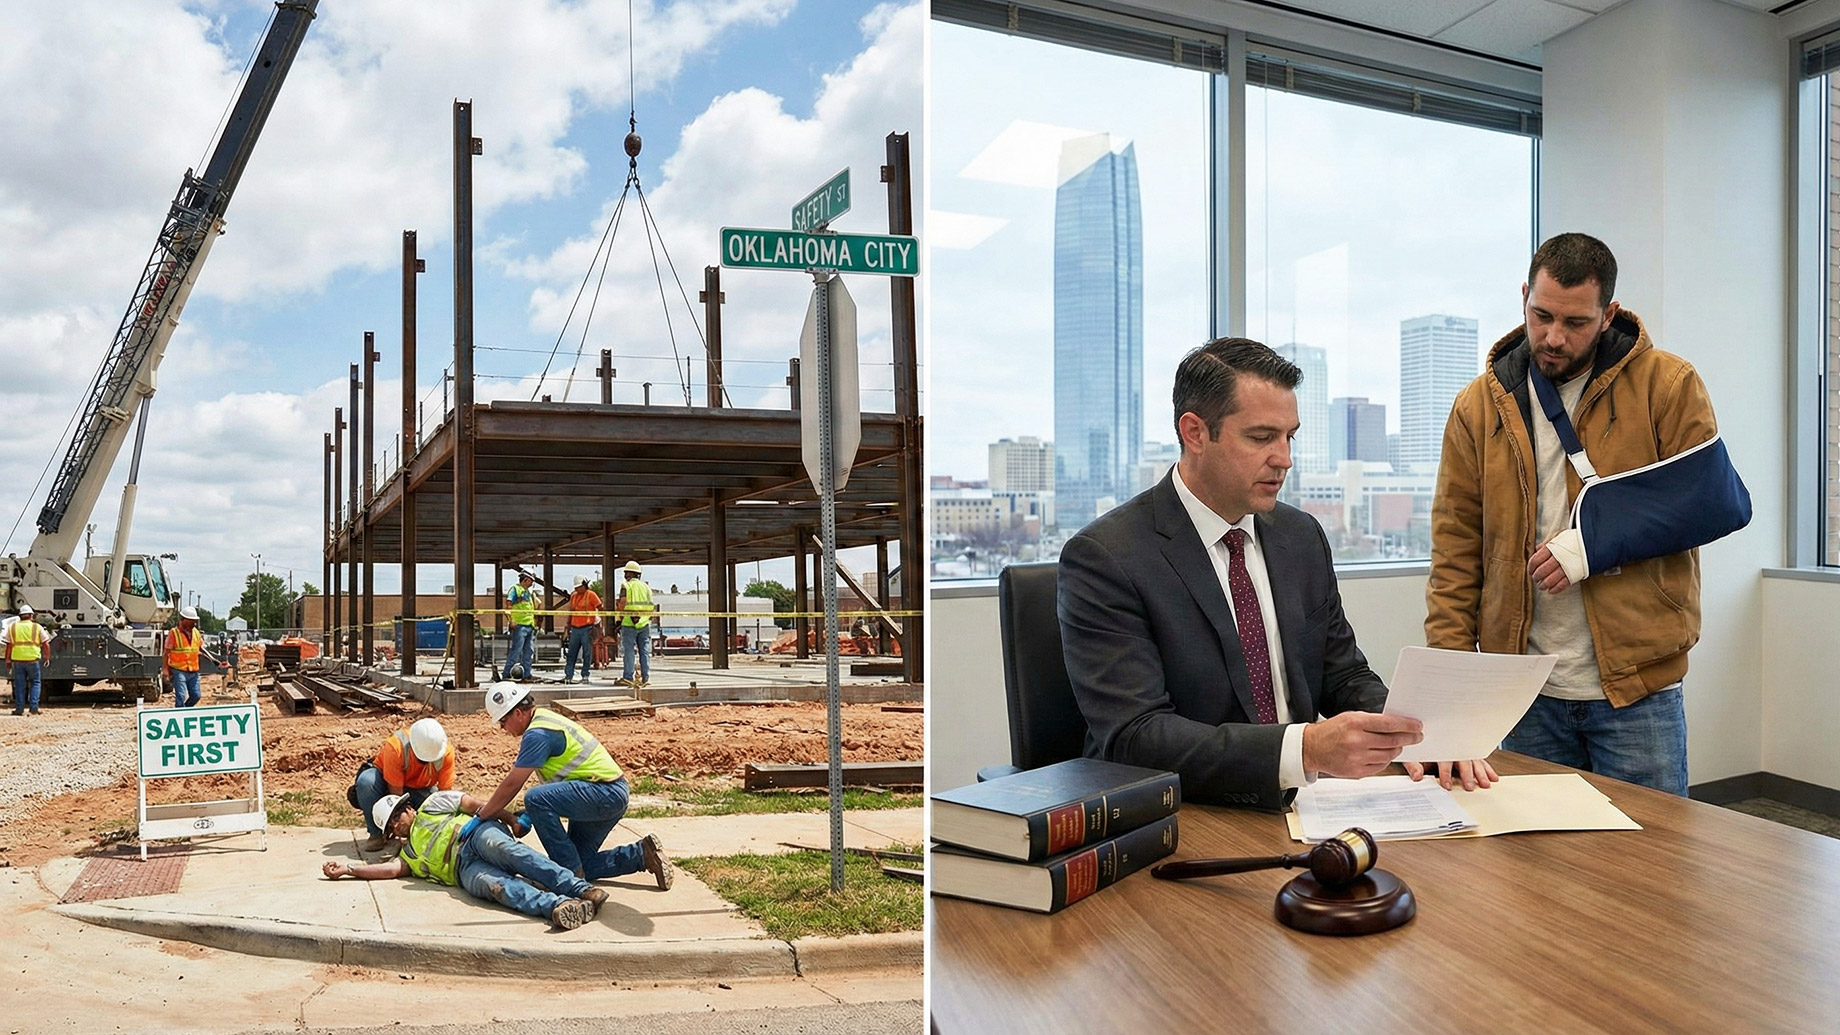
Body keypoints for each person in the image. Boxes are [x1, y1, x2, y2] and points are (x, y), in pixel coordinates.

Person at [1059, 337, 1488, 810]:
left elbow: (1341, 674)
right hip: (1190, 812)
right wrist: (1303, 749)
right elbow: (1136, 736)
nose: (1284, 458)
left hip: (1308, 804)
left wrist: (1417, 736)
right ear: (1195, 433)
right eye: (1261, 437)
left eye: (1290, 437)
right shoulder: (1107, 556)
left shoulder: (1300, 535)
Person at [1427, 233, 1718, 796]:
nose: (1553, 337)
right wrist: (1450, 695)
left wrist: (1592, 543)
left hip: (1637, 689)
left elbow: (1708, 502)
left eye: (1576, 323)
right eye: (1541, 316)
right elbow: (1455, 555)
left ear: (1608, 313)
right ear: (1523, 298)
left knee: (1650, 861)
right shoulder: (1477, 406)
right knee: (1535, 874)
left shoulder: (1668, 385)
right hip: (1524, 692)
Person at [475, 681, 672, 889]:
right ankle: (642, 855)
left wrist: (482, 815)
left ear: (518, 713)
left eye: (503, 721)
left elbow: (512, 784)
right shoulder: (545, 719)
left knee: (536, 799)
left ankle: (568, 878)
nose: (502, 727)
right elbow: (560, 789)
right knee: (582, 862)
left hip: (603, 793)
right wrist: (529, 813)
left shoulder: (537, 734)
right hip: (605, 793)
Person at [320, 790, 606, 930]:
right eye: (390, 827)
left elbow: (476, 805)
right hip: (465, 870)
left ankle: (579, 888)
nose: (396, 825)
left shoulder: (433, 804)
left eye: (397, 816)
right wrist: (349, 869)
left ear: (408, 808)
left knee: (513, 854)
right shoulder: (409, 856)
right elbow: (388, 870)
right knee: (499, 888)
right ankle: (559, 907)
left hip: (476, 835)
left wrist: (511, 820)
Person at [348, 717, 456, 853]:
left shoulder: (445, 753)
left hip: (417, 790)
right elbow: (395, 797)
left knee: (435, 802)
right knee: (366, 782)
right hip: (386, 787)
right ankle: (376, 834)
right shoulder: (396, 746)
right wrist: (399, 826)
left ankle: (420, 834)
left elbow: (444, 796)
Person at [163, 606, 220, 709]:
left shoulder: (196, 633)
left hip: (193, 671)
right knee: (180, 696)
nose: (194, 623)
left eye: (195, 621)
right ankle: (180, 714)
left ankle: (185, 711)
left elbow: (201, 649)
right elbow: (166, 653)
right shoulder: (174, 633)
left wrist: (215, 661)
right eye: (191, 621)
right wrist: (165, 670)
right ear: (183, 620)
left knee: (196, 696)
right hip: (179, 669)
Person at [615, 561, 655, 688]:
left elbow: (622, 603)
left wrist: (619, 617)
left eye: (626, 572)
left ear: (630, 574)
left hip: (629, 623)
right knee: (644, 651)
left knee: (629, 651)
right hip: (644, 623)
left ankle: (628, 677)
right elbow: (651, 606)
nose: (625, 575)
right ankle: (645, 678)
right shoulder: (646, 587)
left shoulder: (626, 586)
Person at [6, 605, 50, 716]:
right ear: (31, 615)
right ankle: (34, 708)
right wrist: (47, 657)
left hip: (18, 661)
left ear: (20, 616)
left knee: (20, 685)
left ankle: (19, 709)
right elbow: (46, 643)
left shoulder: (13, 627)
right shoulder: (37, 627)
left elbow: (9, 645)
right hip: (32, 660)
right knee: (35, 683)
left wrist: (7, 660)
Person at [501, 573, 538, 681]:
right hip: (520, 625)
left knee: (528, 651)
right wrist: (511, 620)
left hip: (529, 625)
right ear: (526, 580)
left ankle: (527, 674)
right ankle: (506, 673)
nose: (532, 583)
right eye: (531, 581)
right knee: (516, 650)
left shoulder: (527, 593)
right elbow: (508, 605)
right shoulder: (515, 589)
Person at [564, 577, 601, 684]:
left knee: (587, 653)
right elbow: (571, 612)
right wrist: (568, 625)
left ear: (584, 585)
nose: (577, 589)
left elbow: (600, 607)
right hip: (575, 629)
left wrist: (599, 622)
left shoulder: (591, 595)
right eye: (576, 587)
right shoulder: (574, 596)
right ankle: (568, 675)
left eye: (579, 587)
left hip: (587, 628)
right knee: (571, 653)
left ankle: (585, 675)